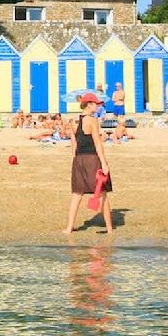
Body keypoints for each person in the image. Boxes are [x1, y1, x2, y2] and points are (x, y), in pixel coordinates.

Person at [65, 98, 113, 235]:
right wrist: (104, 163)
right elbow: (97, 143)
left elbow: (74, 144)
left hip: (79, 159)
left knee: (77, 194)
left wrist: (75, 161)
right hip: (92, 159)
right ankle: (109, 229)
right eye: (96, 104)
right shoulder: (92, 120)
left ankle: (69, 228)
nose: (98, 106)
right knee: (102, 193)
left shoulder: (74, 121)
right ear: (89, 105)